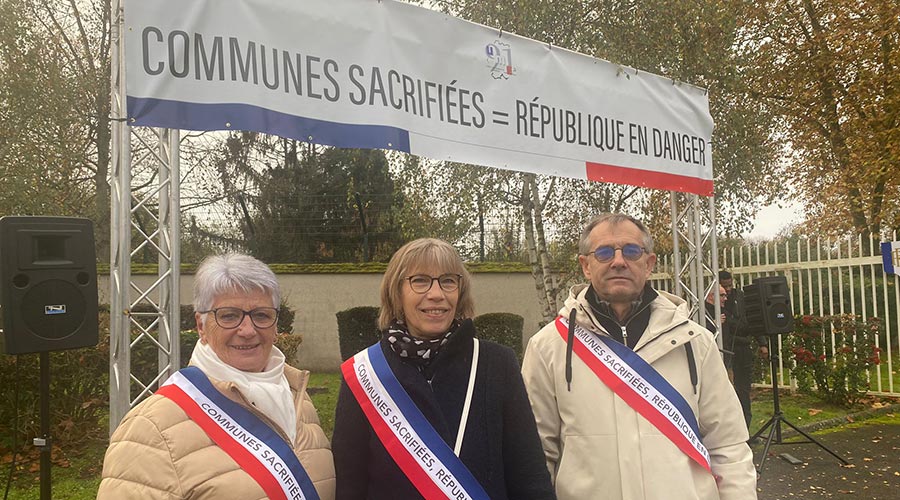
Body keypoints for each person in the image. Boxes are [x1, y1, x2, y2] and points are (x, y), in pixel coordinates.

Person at [521, 213, 757, 500]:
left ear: (649, 263)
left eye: (632, 251)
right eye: (605, 252)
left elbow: (728, 446)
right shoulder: (548, 346)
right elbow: (535, 458)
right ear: (585, 265)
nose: (618, 261)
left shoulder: (696, 342)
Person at [98, 253, 336, 500]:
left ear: (276, 325)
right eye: (229, 315)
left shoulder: (299, 399)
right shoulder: (151, 427)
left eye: (261, 315)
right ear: (201, 326)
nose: (247, 330)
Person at [332, 238, 555, 500]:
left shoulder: (497, 364)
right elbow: (350, 485)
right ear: (397, 292)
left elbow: (529, 477)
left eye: (448, 281)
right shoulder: (364, 374)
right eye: (420, 280)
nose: (437, 293)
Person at [719, 270, 768, 429]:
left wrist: (762, 342)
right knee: (726, 389)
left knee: (743, 389)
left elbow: (752, 319)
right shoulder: (715, 299)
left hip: (743, 346)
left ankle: (746, 429)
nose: (727, 290)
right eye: (724, 287)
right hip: (726, 346)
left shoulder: (740, 296)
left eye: (729, 286)